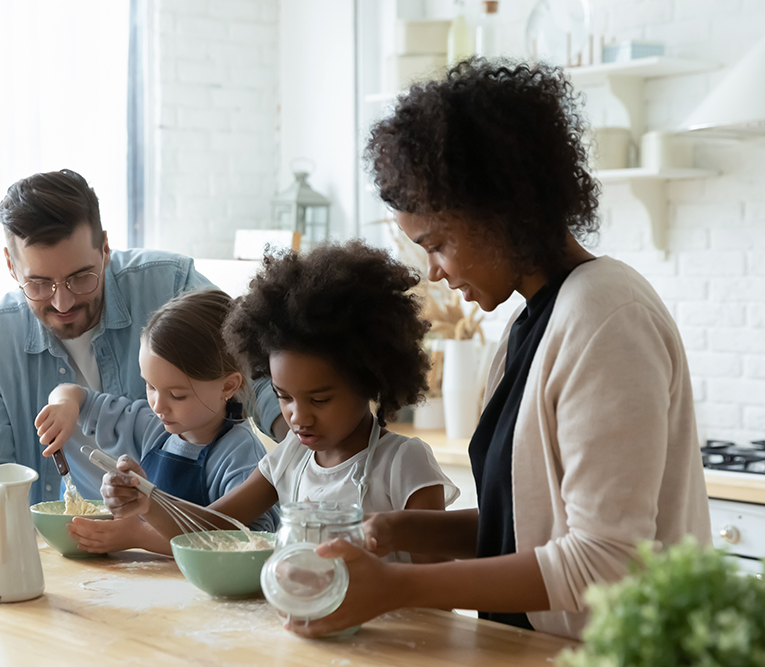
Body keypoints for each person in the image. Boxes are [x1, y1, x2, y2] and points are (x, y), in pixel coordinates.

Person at [279, 59, 712, 640]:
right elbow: (534, 528)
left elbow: (604, 564)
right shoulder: (530, 325)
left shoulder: (608, 318)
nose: (432, 271)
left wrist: (396, 588)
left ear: (503, 209)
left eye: (437, 243)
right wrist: (404, 531)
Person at [0, 169, 285, 550]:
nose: (62, 302)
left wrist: (300, 433)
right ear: (11, 266)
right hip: (65, 560)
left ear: (104, 248)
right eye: (39, 284)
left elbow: (259, 369)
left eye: (81, 277)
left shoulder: (170, 284)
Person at [100, 241, 459, 564]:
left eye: (319, 399)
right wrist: (147, 500)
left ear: (371, 381)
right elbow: (209, 529)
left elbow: (438, 594)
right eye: (283, 396)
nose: (298, 417)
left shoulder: (404, 464)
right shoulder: (292, 456)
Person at [34, 289, 278, 555]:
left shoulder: (239, 454)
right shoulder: (151, 427)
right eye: (150, 386)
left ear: (228, 386)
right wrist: (64, 405)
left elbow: (251, 542)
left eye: (177, 395)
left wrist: (139, 535)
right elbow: (76, 395)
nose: (158, 405)